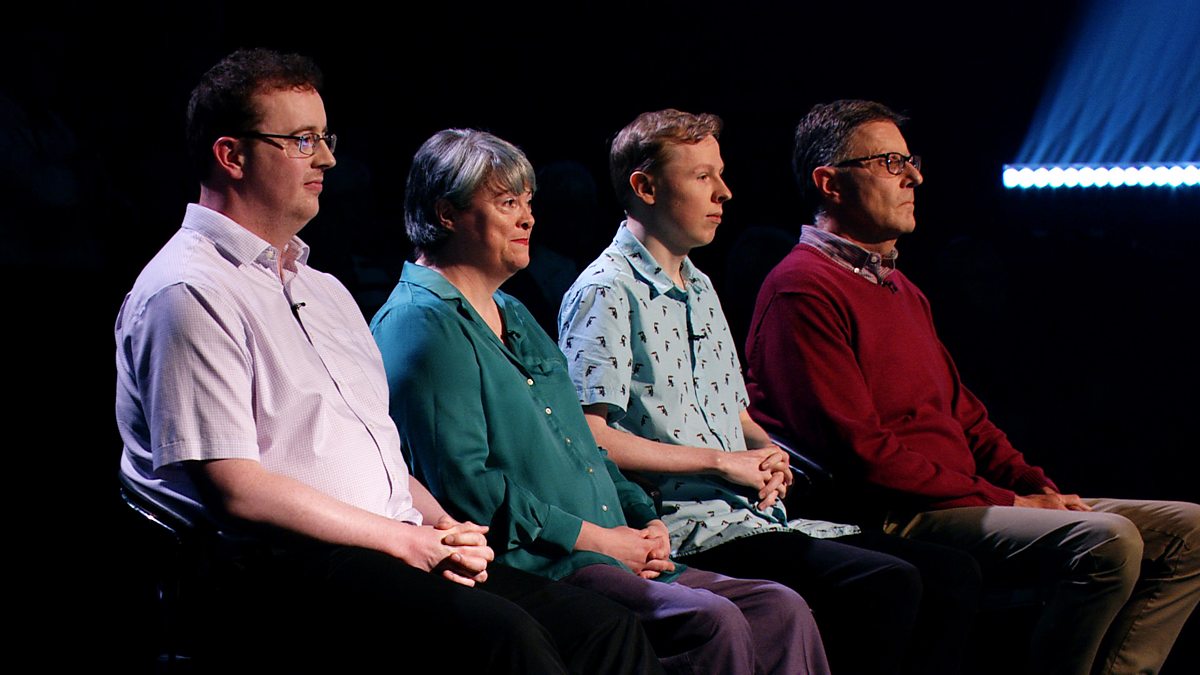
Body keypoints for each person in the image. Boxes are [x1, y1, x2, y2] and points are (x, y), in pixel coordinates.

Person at [116, 48, 663, 674]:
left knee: (604, 629)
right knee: (507, 640)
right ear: (231, 156)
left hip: (383, 547)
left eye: (325, 139)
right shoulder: (189, 290)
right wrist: (404, 539)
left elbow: (380, 457)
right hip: (275, 570)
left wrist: (443, 526)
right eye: (301, 140)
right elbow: (236, 489)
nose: (327, 159)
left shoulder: (322, 289)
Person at [745, 98, 1200, 675]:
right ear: (829, 183)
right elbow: (861, 453)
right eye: (889, 163)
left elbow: (966, 416)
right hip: (901, 511)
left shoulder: (902, 289)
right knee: (1108, 541)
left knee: (1190, 531)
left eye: (910, 161)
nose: (914, 177)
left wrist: (1034, 484)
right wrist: (1009, 501)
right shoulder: (802, 288)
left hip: (964, 497)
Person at [371, 128, 829, 675]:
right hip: (547, 562)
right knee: (712, 621)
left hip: (611, 544)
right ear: (447, 214)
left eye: (528, 202)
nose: (528, 219)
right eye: (507, 202)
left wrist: (644, 520)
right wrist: (605, 541)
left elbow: (584, 446)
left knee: (779, 609)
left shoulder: (513, 312)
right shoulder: (423, 323)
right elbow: (470, 490)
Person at [558, 108, 981, 675]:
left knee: (951, 575)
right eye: (702, 176)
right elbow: (589, 437)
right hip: (683, 527)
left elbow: (735, 413)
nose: (724, 192)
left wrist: (766, 452)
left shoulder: (700, 285)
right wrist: (721, 462)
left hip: (749, 516)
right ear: (646, 187)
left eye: (721, 174)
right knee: (887, 583)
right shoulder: (605, 290)